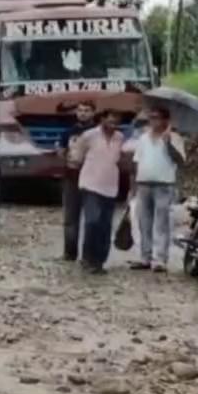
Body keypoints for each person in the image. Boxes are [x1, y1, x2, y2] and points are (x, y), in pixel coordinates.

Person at [128, 106, 185, 272]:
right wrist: (132, 188)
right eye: (151, 118)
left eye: (158, 117)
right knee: (143, 222)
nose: (154, 121)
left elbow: (180, 160)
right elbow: (136, 162)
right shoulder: (143, 138)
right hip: (144, 183)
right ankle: (145, 256)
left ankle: (159, 258)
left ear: (165, 120)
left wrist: (168, 144)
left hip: (164, 184)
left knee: (161, 223)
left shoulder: (174, 138)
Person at [73, 109, 125, 274]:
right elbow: (76, 156)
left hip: (110, 186)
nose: (113, 124)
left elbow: (122, 159)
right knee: (92, 222)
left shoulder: (120, 138)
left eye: (116, 121)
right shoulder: (89, 136)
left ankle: (99, 261)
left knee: (105, 226)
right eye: (110, 120)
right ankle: (87, 258)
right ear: (102, 119)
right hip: (90, 185)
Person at [59, 100, 96, 262]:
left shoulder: (98, 133)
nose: (83, 113)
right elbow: (61, 151)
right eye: (80, 110)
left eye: (87, 110)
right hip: (72, 178)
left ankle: (89, 254)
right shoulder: (68, 132)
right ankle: (69, 252)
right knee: (70, 219)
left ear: (93, 113)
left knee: (91, 219)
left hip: (93, 179)